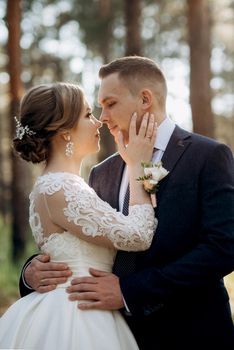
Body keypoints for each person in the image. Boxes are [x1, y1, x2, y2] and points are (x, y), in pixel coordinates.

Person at [20, 57, 234, 350]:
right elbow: (77, 235)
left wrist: (129, 292)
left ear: (145, 99)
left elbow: (223, 248)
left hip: (191, 333)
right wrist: (32, 271)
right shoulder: (102, 171)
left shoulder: (207, 156)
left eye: (110, 103)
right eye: (97, 107)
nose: (103, 116)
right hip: (106, 331)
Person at [0, 82, 158, 350]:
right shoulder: (61, 187)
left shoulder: (65, 184)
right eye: (87, 115)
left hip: (82, 305)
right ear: (64, 133)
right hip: (77, 314)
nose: (98, 122)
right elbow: (139, 235)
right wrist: (139, 166)